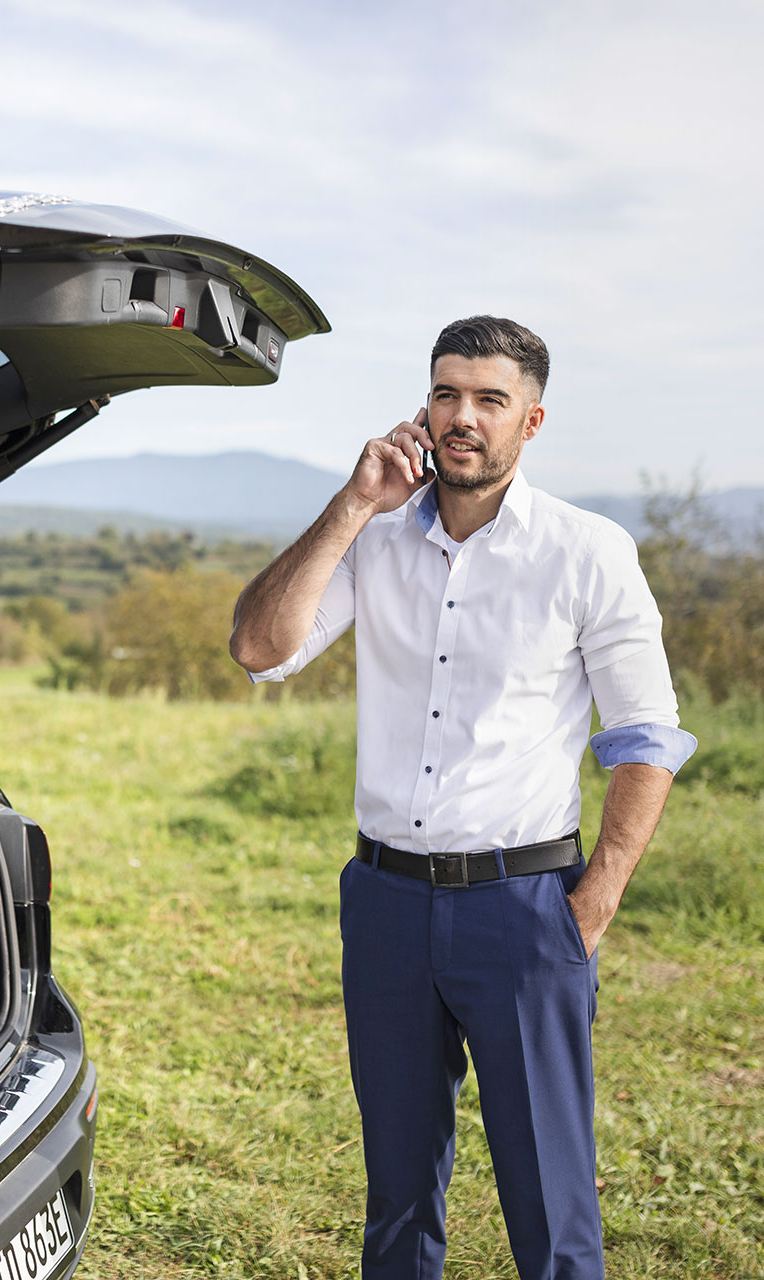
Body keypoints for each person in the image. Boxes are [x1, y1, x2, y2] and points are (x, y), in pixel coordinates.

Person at [228, 316, 696, 1280]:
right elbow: (260, 650)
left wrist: (594, 901)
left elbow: (644, 735)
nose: (462, 417)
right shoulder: (373, 540)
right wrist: (352, 506)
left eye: (488, 399)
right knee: (396, 1190)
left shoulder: (586, 550)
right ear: (423, 406)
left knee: (549, 1195)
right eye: (446, 394)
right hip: (386, 903)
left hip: (524, 910)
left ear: (530, 422)